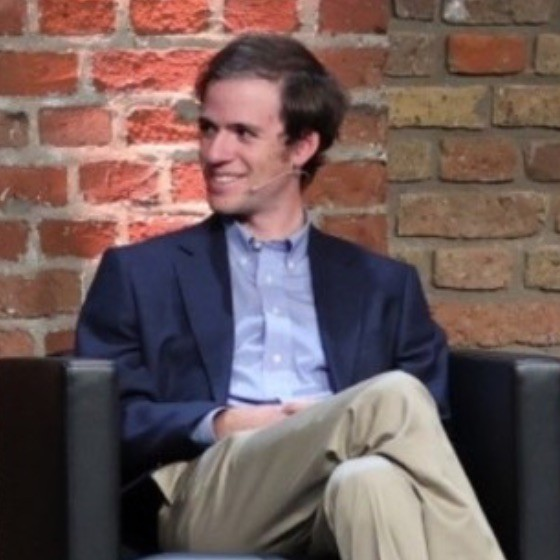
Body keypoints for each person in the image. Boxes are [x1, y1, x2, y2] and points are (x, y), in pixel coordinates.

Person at [76, 33, 505, 560]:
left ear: (302, 147)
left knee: (369, 481)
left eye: (242, 133)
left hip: (332, 496)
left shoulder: (382, 285)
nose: (214, 153)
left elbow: (429, 425)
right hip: (209, 495)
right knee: (392, 397)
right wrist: (222, 422)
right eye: (208, 129)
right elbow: (104, 420)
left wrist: (332, 422)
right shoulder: (141, 273)